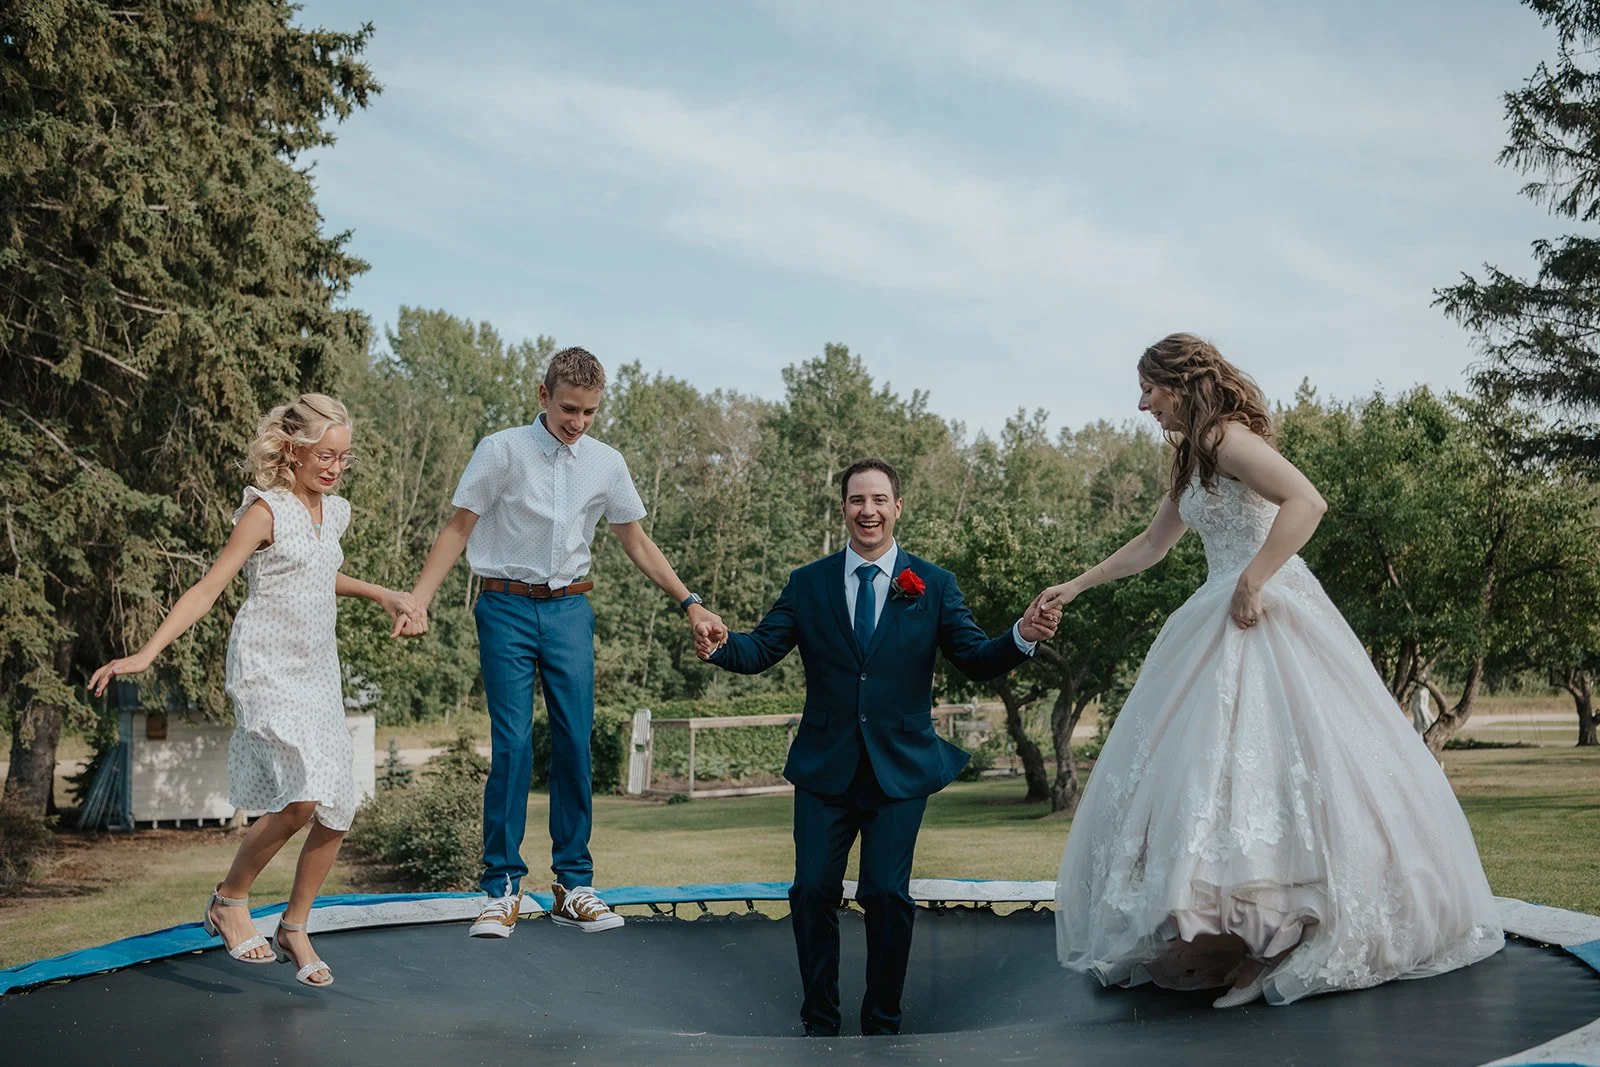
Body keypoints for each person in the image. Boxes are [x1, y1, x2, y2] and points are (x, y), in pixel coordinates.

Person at [1039, 334, 1504, 1008]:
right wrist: (1075, 586)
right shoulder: (1191, 458)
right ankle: (1237, 934)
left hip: (1263, 608)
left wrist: (1255, 580)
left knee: (1275, 764)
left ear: (1183, 381)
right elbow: (1151, 544)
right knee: (1212, 775)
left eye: (1150, 388)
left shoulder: (1227, 437)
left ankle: (1281, 936)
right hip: (1215, 614)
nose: (1142, 403)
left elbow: (1306, 502)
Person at [697, 458, 1059, 1036]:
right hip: (825, 769)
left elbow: (972, 657)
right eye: (856, 500)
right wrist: (720, 646)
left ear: (897, 507)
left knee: (887, 894)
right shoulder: (807, 583)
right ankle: (819, 1020)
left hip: (899, 769)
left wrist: (1021, 634)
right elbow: (760, 649)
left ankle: (882, 1021)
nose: (867, 510)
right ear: (843, 508)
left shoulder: (933, 585)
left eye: (879, 499)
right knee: (811, 890)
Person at [88, 394, 418, 987]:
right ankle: (230, 900)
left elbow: (318, 572)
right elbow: (209, 587)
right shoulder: (265, 511)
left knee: (338, 807)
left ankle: (294, 925)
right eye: (325, 455)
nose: (336, 467)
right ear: (291, 449)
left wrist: (383, 593)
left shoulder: (335, 512)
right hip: (267, 666)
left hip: (319, 670)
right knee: (302, 798)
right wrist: (145, 653)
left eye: (343, 457)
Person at [400, 346, 726, 939]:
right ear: (542, 396)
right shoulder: (501, 451)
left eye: (590, 412)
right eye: (569, 408)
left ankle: (573, 885)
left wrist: (691, 602)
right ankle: (501, 888)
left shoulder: (606, 463)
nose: (578, 422)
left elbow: (637, 541)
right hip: (504, 606)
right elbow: (458, 528)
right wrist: (419, 597)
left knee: (576, 742)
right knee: (514, 745)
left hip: (570, 609)